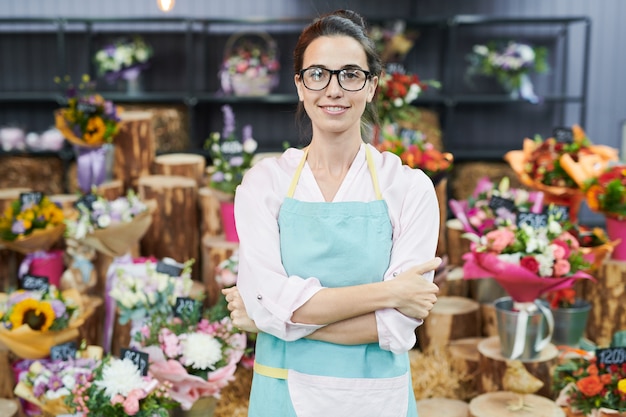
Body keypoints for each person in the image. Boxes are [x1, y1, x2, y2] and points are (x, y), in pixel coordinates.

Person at [222, 9, 441, 417]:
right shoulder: (264, 184)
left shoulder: (409, 188)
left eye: (351, 74)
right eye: (318, 74)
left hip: (377, 399)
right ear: (300, 87)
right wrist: (389, 293)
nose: (334, 90)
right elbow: (396, 305)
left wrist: (277, 322)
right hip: (282, 395)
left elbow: (394, 327)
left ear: (372, 86)